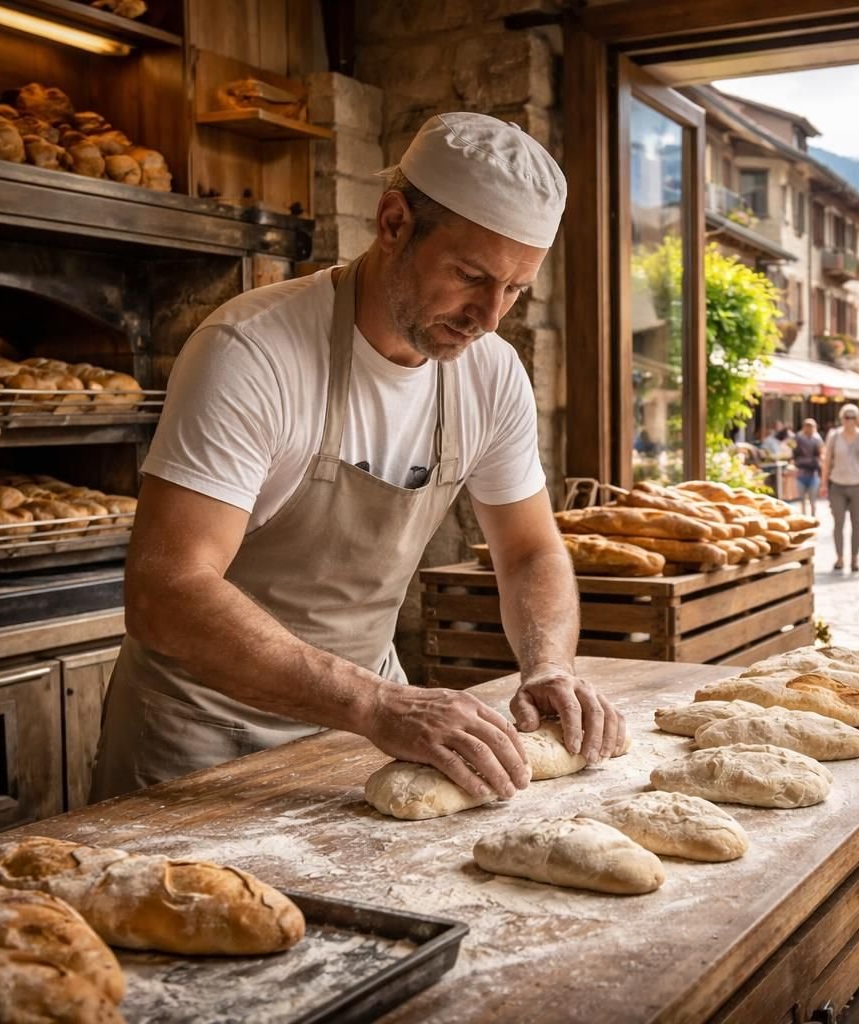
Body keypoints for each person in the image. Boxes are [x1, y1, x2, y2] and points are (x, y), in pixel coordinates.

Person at [92, 113, 626, 801]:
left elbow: (526, 551)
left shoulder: (490, 374)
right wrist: (377, 706)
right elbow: (167, 589)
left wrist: (549, 664)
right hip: (200, 742)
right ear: (394, 221)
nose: (490, 316)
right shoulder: (252, 352)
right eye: (470, 276)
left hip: (363, 737)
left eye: (515, 289)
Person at [820, 404, 859, 573]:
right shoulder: (834, 436)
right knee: (838, 523)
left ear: (858, 419)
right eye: (846, 417)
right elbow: (826, 461)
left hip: (858, 485)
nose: (849, 420)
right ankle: (839, 557)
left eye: (853, 417)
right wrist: (824, 483)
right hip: (837, 484)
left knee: (857, 524)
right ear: (842, 419)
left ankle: (854, 558)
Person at [790, 419, 824, 519]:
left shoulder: (817, 439)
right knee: (802, 499)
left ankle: (813, 517)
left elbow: (821, 452)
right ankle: (804, 517)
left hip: (813, 472)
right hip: (801, 472)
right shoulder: (798, 437)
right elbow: (792, 450)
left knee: (813, 499)